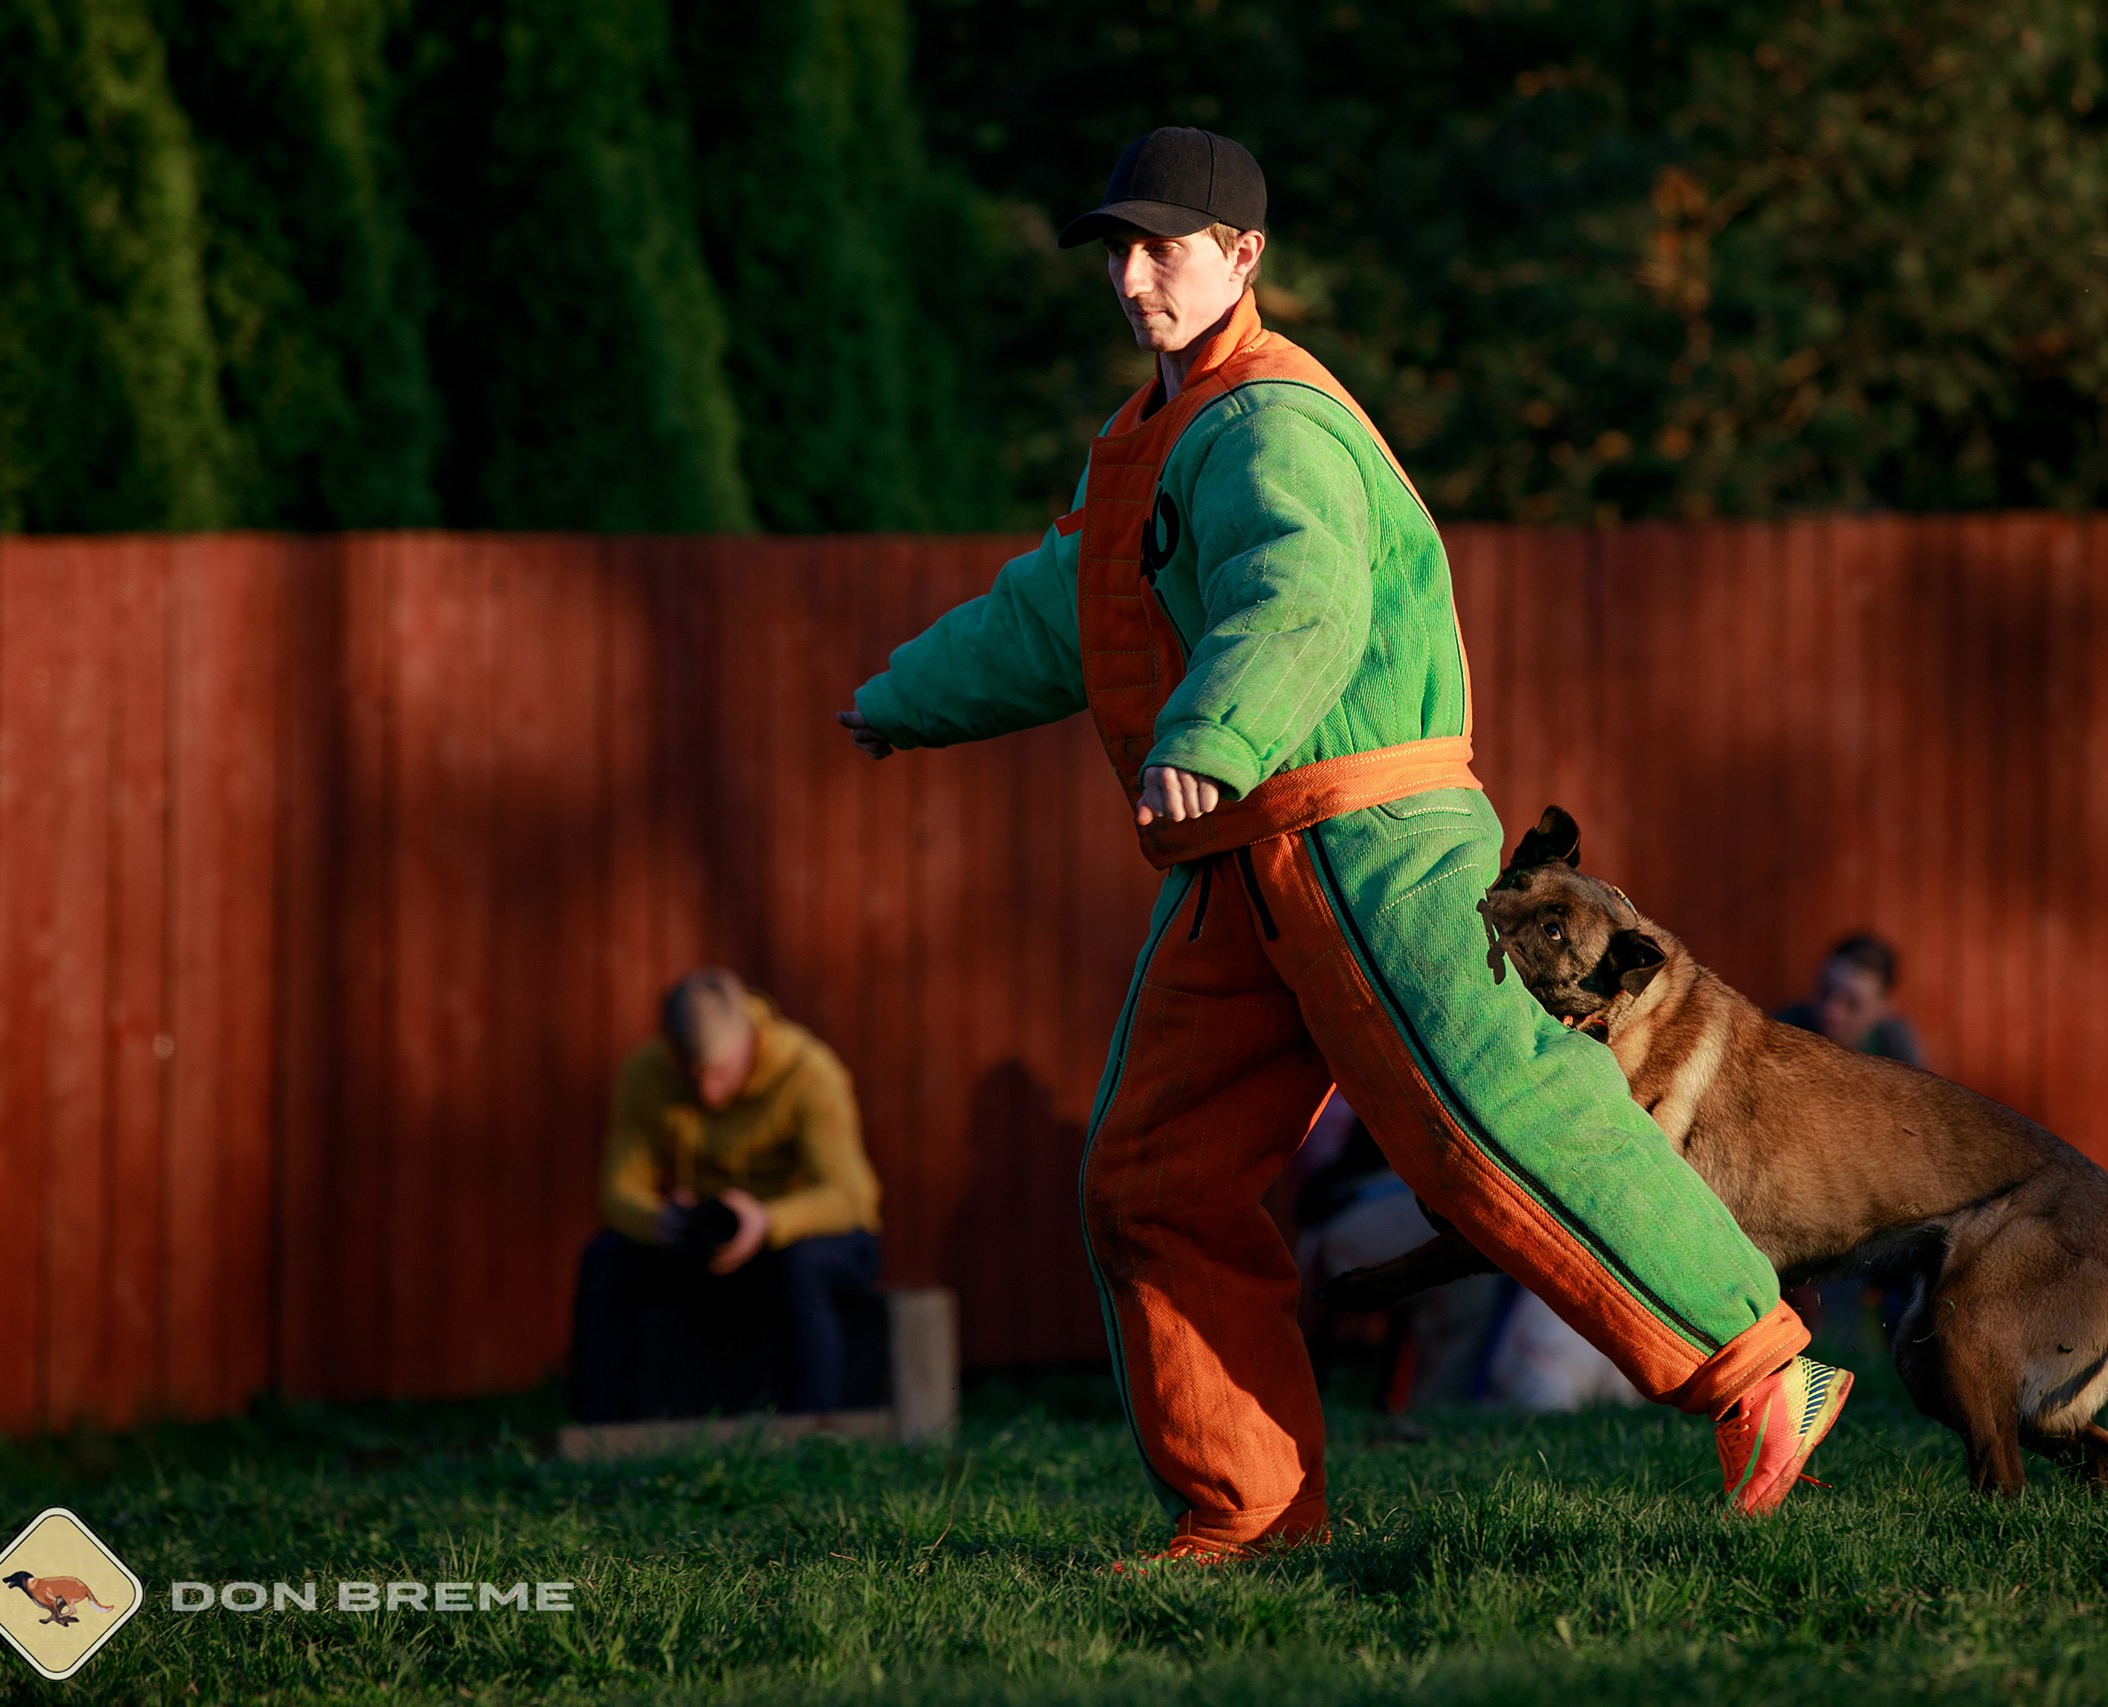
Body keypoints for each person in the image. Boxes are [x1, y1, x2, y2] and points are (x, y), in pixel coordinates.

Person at [837, 127, 1848, 1559]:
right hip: (1240, 857)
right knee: (1152, 1180)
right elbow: (1060, 607)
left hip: (1369, 830)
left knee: (1495, 1120)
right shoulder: (1152, 435)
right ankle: (1249, 1515)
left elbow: (1299, 594)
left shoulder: (1270, 423)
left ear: (1244, 257)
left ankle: (1763, 1367)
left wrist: (1206, 738)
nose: (1133, 278)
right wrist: (900, 700)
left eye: (1163, 248)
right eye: (1116, 251)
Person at [569, 969, 884, 1423]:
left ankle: (813, 1433)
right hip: (708, 1242)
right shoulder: (645, 1074)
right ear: (668, 1049)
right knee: (604, 1258)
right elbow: (617, 1190)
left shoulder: (808, 1071)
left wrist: (767, 1221)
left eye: (719, 1073)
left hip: (800, 1239)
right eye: (690, 1076)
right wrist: (658, 1220)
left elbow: (848, 1197)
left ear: (749, 1041)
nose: (707, 1092)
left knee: (800, 1264)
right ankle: (597, 1435)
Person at [1776, 932, 1924, 1066]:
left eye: (1853, 1004)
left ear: (1883, 1009)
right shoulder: (1784, 1030)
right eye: (1825, 992)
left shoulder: (1895, 1041)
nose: (1831, 1013)